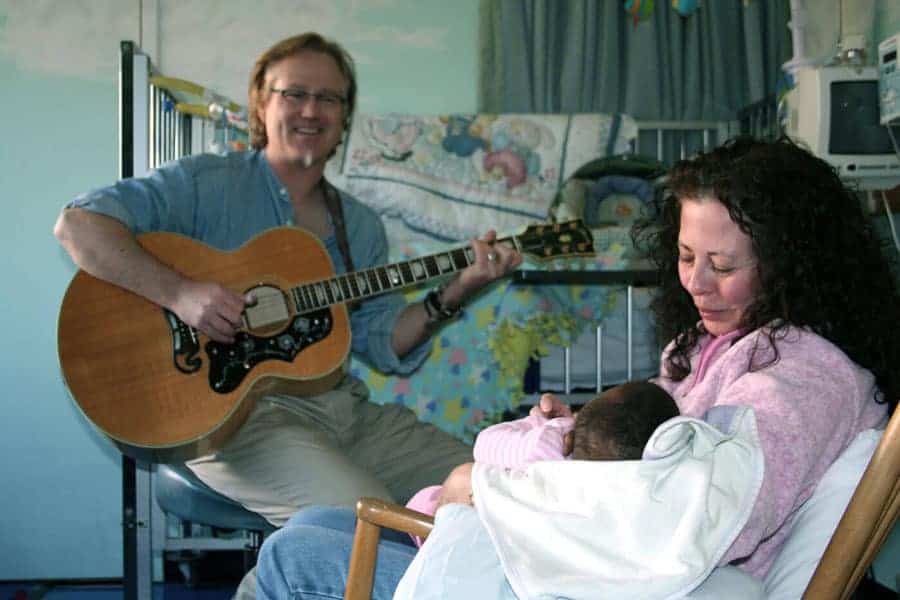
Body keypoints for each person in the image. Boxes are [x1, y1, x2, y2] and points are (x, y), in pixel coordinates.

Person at [254, 136, 900, 599]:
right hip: (603, 569)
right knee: (316, 524)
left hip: (643, 584)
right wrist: (586, 432)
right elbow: (666, 451)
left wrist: (489, 488)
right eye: (683, 256)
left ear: (791, 263)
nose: (696, 282)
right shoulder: (728, 346)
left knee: (298, 552)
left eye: (723, 266)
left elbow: (693, 516)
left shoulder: (800, 381)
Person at [53, 31, 522, 598]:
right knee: (371, 530)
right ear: (261, 102)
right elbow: (79, 226)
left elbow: (384, 345)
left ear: (345, 117)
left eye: (329, 99)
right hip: (232, 423)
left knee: (498, 490)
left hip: (343, 412)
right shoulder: (205, 184)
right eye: (293, 93)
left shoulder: (360, 227)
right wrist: (180, 294)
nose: (310, 110)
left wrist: (462, 288)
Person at [406, 380, 680, 536]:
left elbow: (485, 444)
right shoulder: (607, 500)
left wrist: (534, 424)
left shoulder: (547, 445)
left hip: (434, 519)